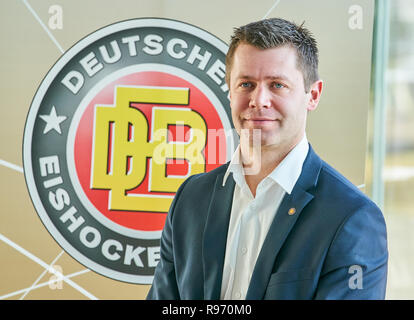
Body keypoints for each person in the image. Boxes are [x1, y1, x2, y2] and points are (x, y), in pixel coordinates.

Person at [147, 18, 388, 300]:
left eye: (277, 85)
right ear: (229, 90)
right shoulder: (191, 199)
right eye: (246, 83)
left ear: (313, 95)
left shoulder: (351, 218)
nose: (258, 100)